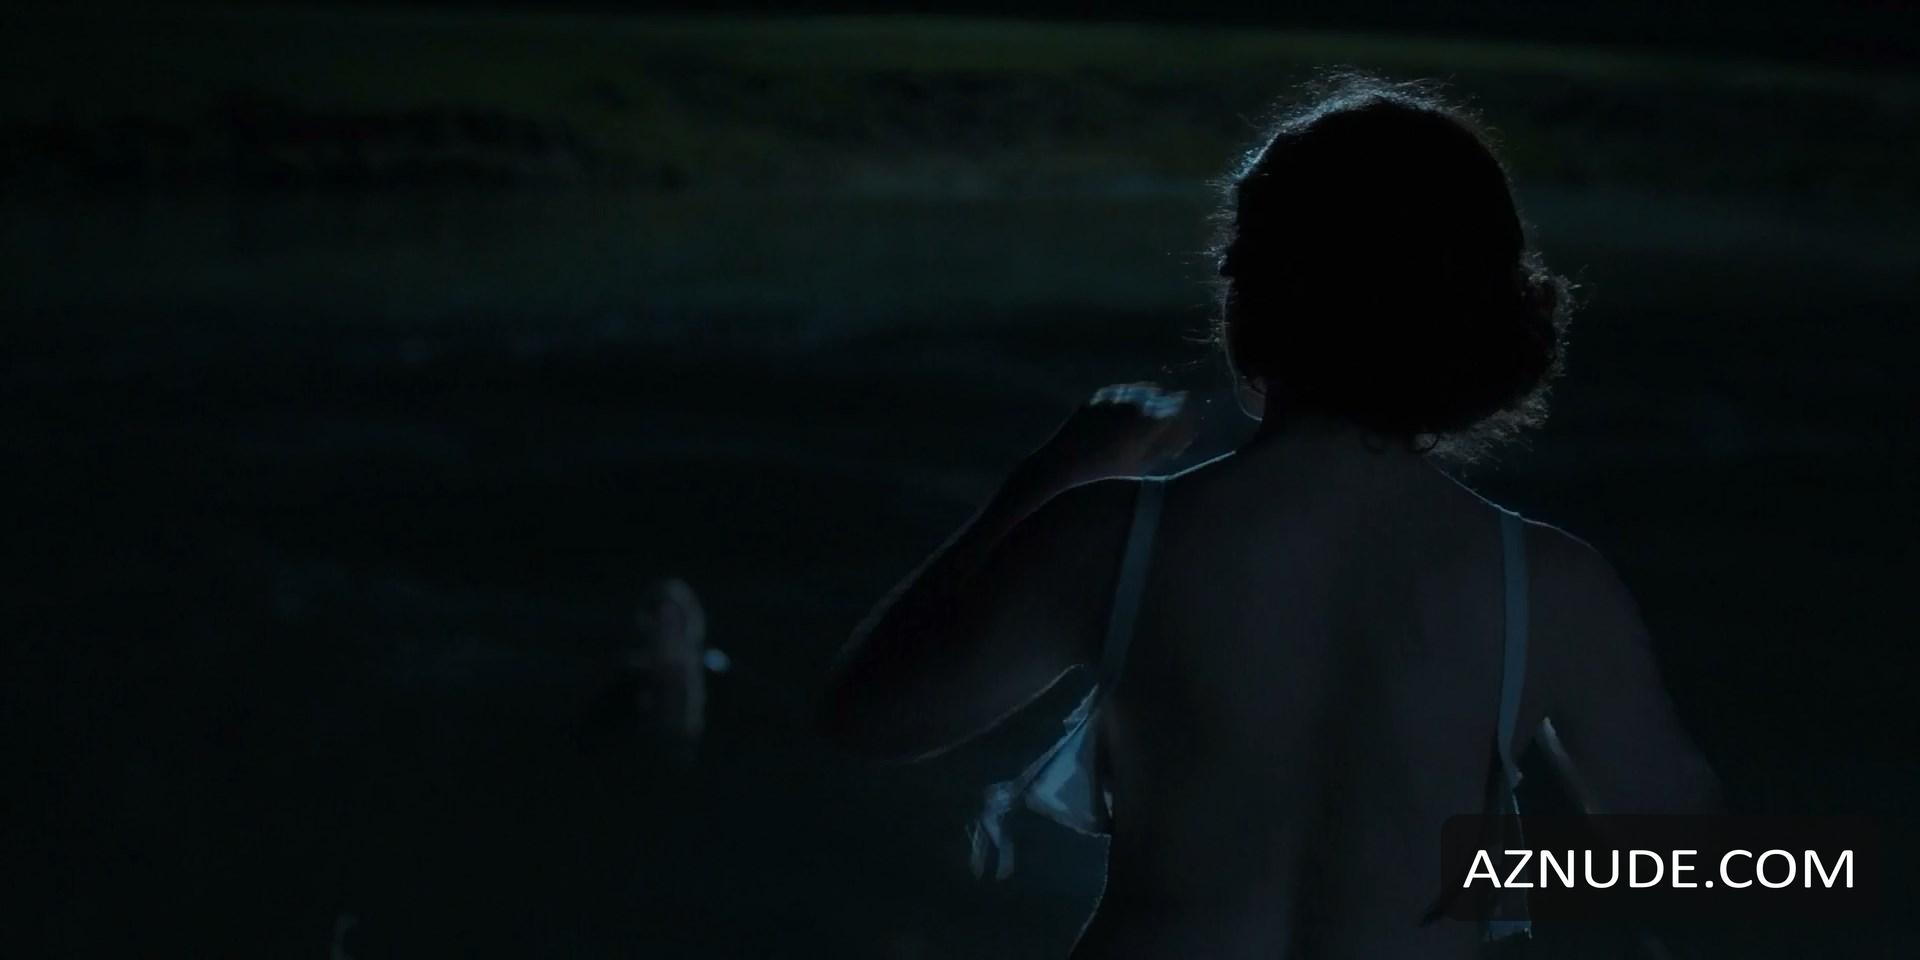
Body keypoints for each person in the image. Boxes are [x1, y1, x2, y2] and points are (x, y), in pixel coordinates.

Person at [819, 75, 1719, 959]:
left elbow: (873, 718)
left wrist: (1043, 479)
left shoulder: (1114, 537)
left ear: (1252, 291)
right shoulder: (1550, 586)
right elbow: (1684, 865)